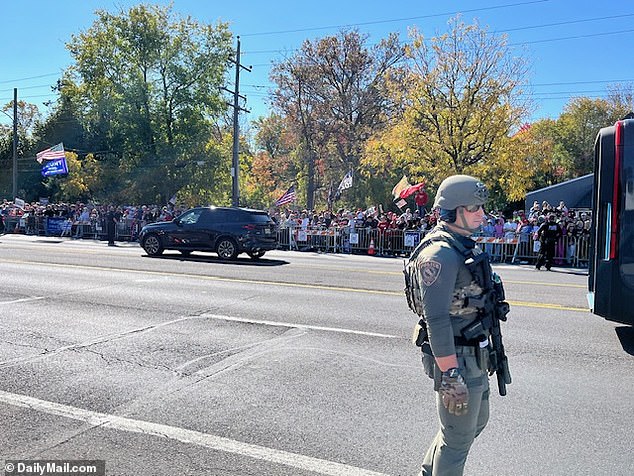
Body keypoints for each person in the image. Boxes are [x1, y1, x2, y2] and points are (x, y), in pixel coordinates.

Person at [404, 175, 508, 476]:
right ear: (453, 211)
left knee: (472, 424)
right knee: (457, 440)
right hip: (456, 357)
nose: (482, 214)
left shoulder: (459, 245)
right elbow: (436, 320)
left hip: (473, 352)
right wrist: (451, 375)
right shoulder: (440, 255)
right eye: (474, 208)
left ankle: (428, 471)